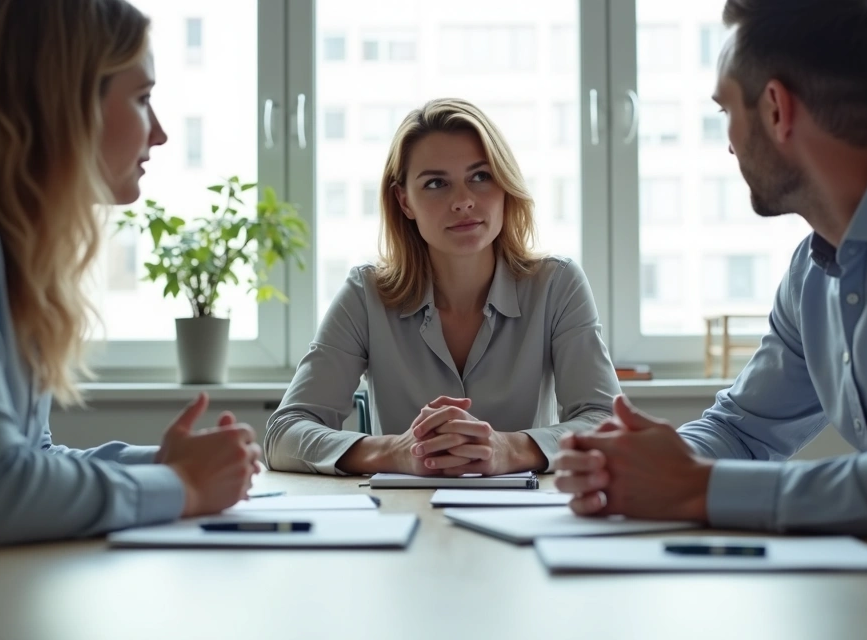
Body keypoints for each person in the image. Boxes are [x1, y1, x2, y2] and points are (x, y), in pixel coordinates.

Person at [556, 0, 867, 578]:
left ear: (775, 108)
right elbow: (741, 430)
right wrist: (634, 462)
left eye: (725, 112)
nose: (730, 144)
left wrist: (699, 489)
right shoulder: (813, 271)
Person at [0, 0, 260, 588]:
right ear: (64, 101)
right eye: (140, 99)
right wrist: (182, 486)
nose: (159, 132)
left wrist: (168, 462)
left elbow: (29, 461)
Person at [265, 98, 619, 476]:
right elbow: (284, 434)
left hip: (527, 517)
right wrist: (397, 453)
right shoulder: (365, 293)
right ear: (405, 201)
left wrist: (509, 449)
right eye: (436, 183)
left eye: (481, 176)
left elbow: (608, 423)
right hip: (403, 516)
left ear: (505, 185)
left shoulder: (557, 285)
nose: (463, 201)